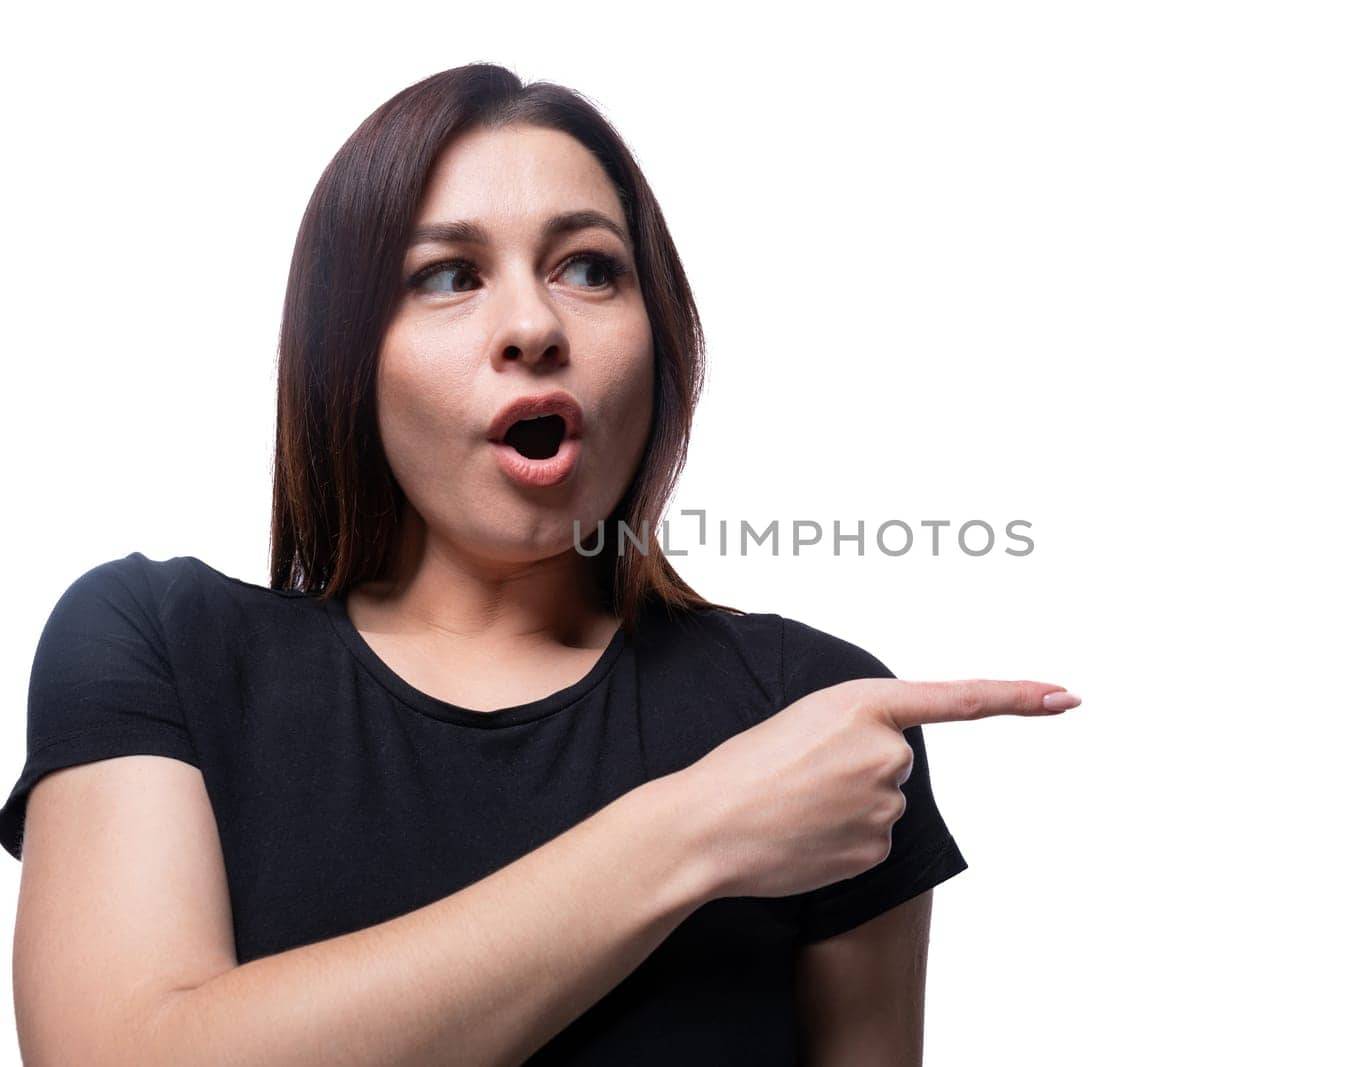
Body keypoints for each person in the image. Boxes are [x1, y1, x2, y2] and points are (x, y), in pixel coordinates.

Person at [0, 64, 1082, 1065]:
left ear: (660, 342)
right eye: (448, 274)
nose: (532, 324)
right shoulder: (158, 641)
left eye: (588, 269)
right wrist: (694, 828)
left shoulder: (808, 710)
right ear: (345, 351)